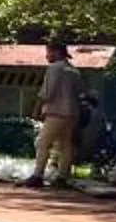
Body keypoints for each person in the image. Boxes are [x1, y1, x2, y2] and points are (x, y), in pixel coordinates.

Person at [33, 39, 84, 189]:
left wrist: (37, 107)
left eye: (48, 52)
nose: (47, 56)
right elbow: (80, 92)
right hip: (72, 113)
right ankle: (62, 176)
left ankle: (38, 175)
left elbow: (47, 92)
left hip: (56, 111)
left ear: (56, 52)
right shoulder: (74, 71)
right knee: (65, 145)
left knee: (42, 143)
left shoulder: (54, 68)